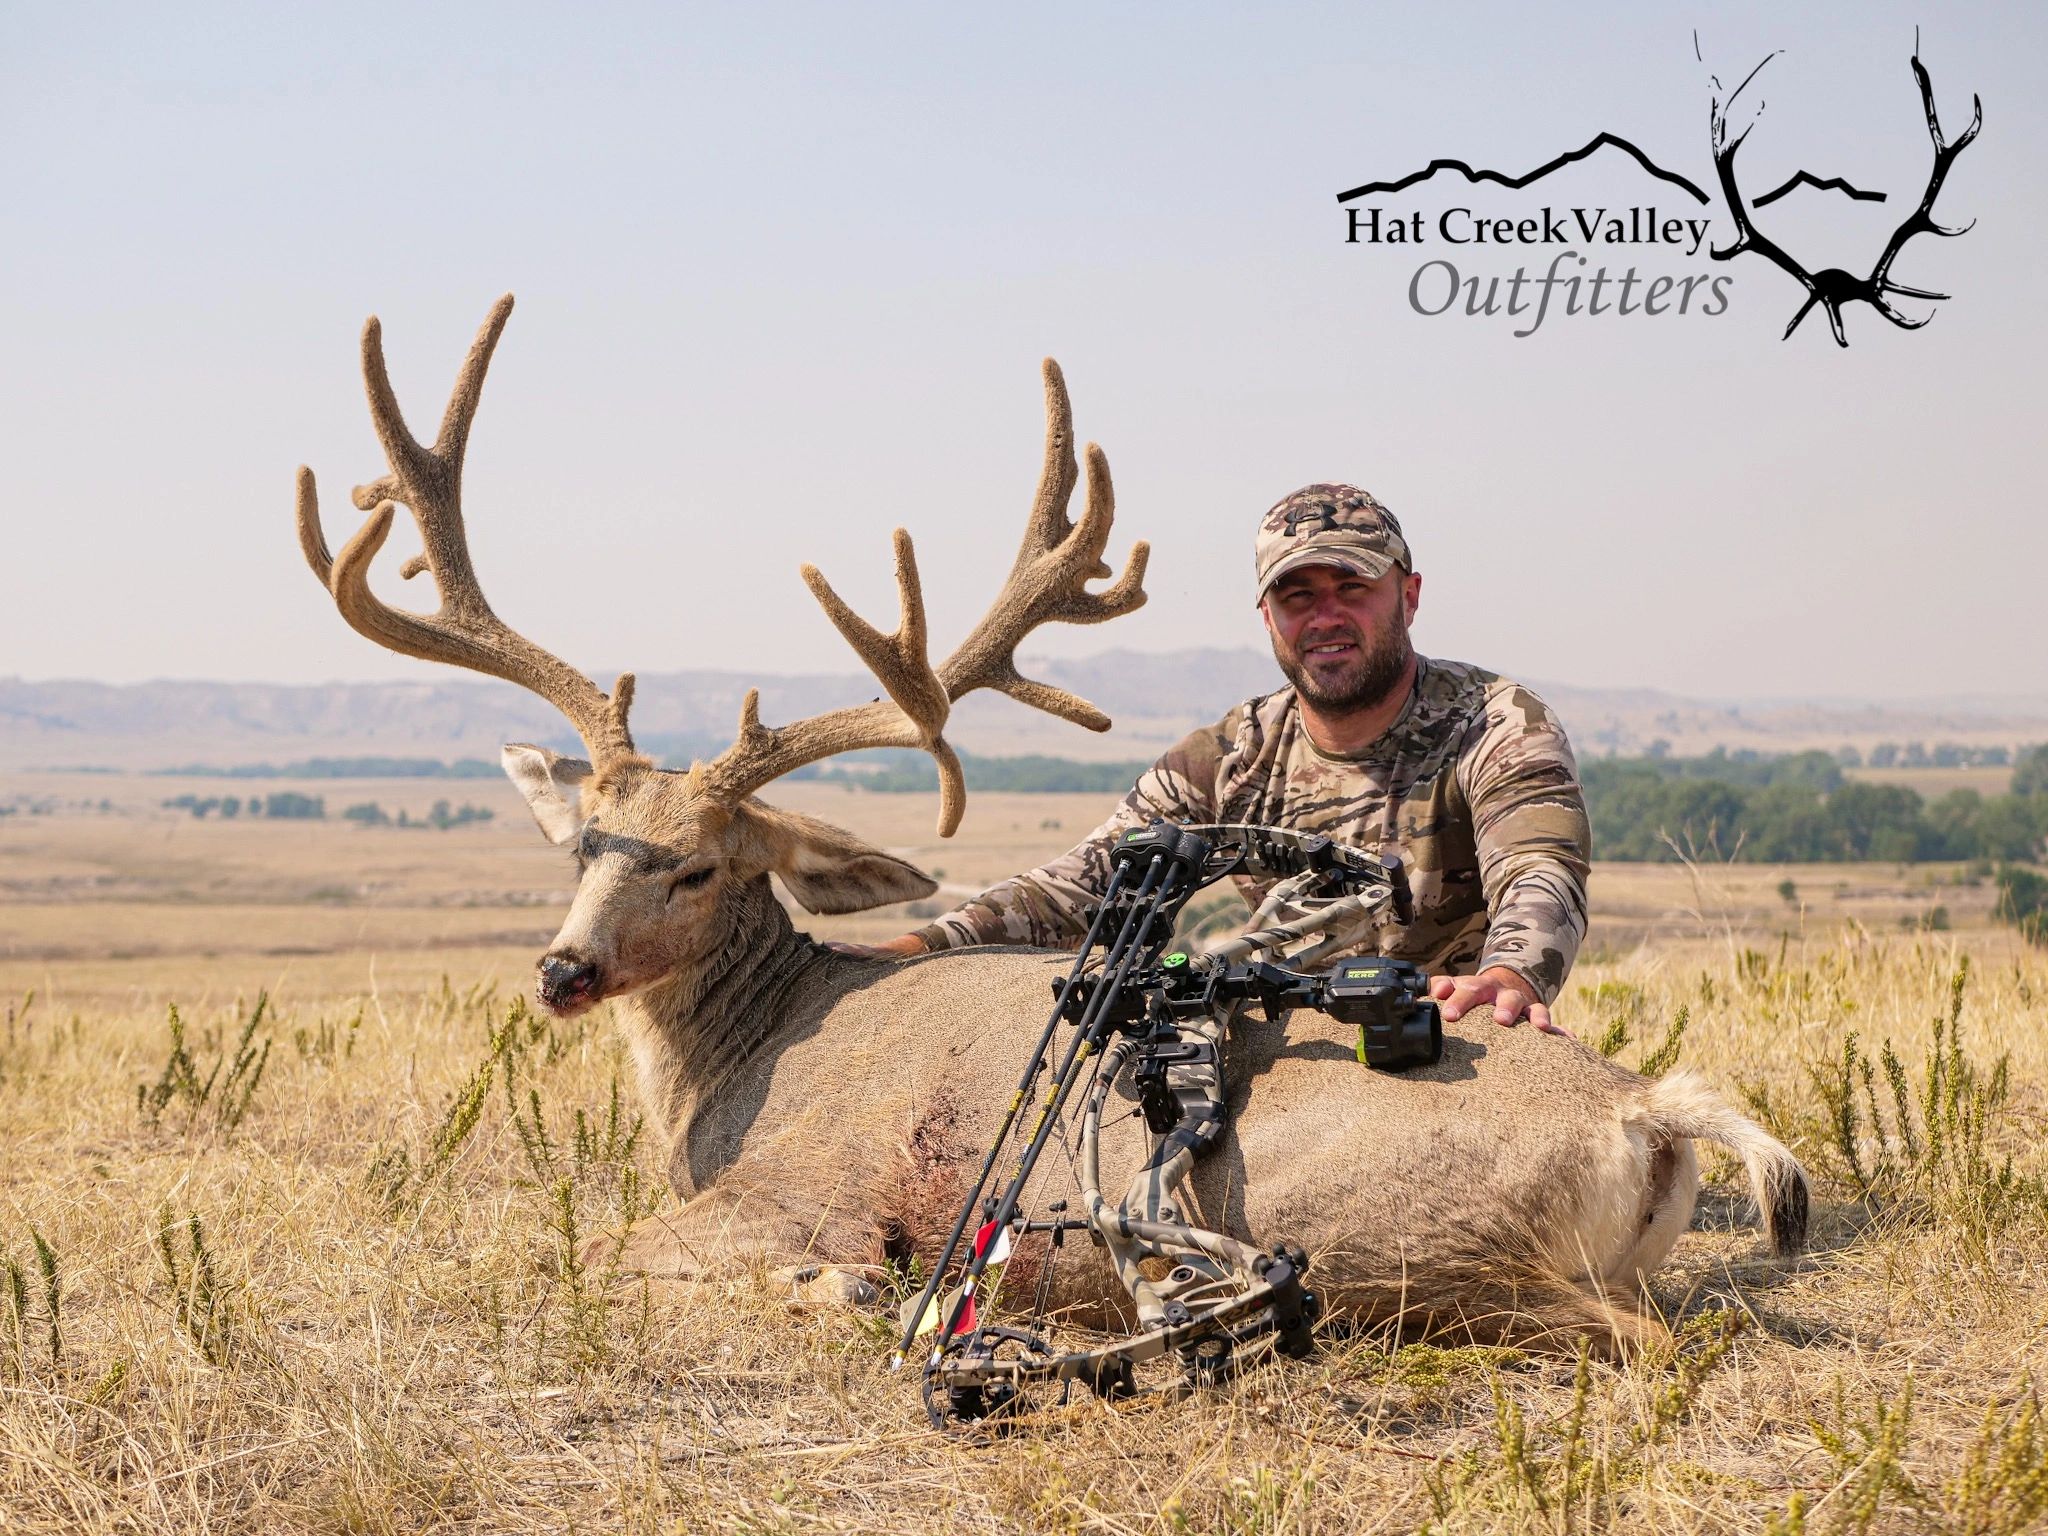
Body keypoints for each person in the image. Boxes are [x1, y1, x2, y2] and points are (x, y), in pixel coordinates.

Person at [834, 483, 1591, 1035]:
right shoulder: (1230, 757)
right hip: (1295, 1052)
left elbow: (1539, 866)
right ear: (1267, 617)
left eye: (1352, 586)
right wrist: (910, 953)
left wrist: (1509, 975)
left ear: (1410, 595)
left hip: (1447, 1027)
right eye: (1296, 596)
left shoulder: (1496, 722)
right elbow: (1077, 888)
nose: (1325, 616)